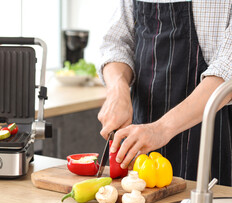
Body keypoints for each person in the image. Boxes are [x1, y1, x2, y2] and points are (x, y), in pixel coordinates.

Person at [98, 0, 232, 185]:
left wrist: (161, 129)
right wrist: (117, 89)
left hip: (214, 127)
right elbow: (116, 44)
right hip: (144, 125)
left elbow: (228, 70)